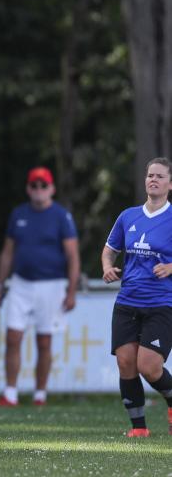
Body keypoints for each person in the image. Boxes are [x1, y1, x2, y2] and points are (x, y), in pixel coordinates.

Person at [0, 167, 80, 407]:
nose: (39, 190)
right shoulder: (18, 214)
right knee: (13, 337)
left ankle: (40, 394)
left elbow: (72, 256)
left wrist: (71, 291)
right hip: (21, 283)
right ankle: (10, 393)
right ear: (28, 189)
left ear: (51, 189)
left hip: (51, 285)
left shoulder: (62, 216)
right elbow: (7, 252)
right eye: (34, 185)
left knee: (44, 341)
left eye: (43, 186)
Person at [102, 158, 172, 437]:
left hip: (161, 303)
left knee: (149, 366)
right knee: (126, 363)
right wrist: (108, 268)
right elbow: (109, 250)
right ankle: (139, 429)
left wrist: (170, 267)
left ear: (170, 183)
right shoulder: (128, 216)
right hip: (127, 301)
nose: (153, 180)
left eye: (159, 176)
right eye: (149, 175)